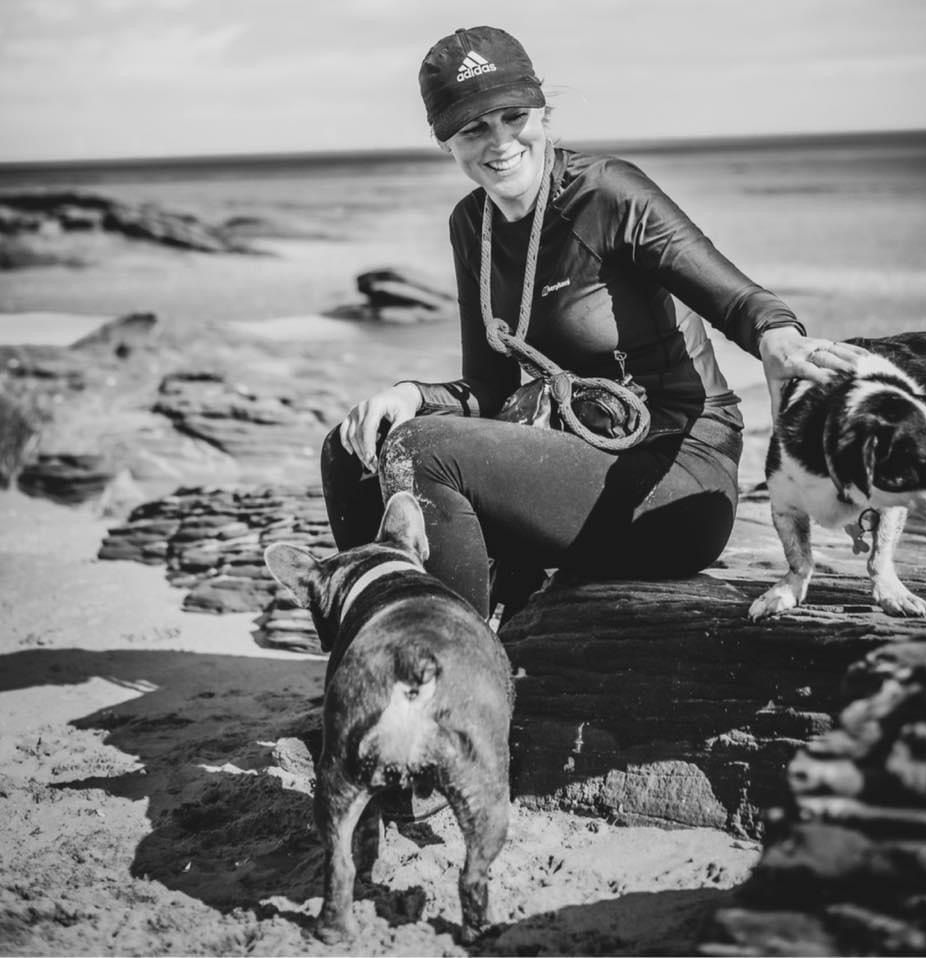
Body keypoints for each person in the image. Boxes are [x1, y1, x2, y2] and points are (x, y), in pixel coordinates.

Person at [321, 24, 866, 624]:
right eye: (474, 127)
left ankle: (462, 669)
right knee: (354, 448)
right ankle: (372, 647)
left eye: (514, 116)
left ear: (542, 111)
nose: (500, 141)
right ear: (445, 142)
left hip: (672, 477)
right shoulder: (470, 226)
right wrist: (409, 395)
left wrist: (779, 339)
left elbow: (736, 300)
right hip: (568, 459)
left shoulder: (606, 193)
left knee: (420, 450)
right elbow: (490, 390)